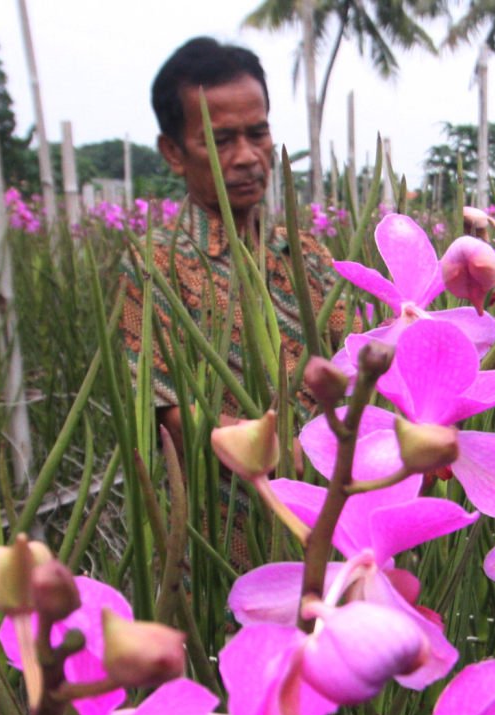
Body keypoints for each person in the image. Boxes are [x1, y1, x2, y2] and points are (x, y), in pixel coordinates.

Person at [119, 37, 343, 457]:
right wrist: (303, 459)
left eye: (258, 134)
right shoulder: (156, 265)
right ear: (173, 152)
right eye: (220, 140)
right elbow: (168, 414)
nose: (247, 157)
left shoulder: (308, 254)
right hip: (225, 517)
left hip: (334, 512)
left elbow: (359, 353)